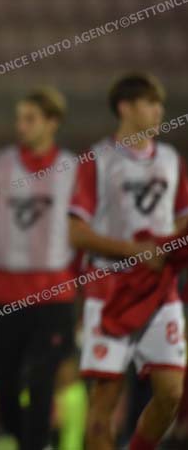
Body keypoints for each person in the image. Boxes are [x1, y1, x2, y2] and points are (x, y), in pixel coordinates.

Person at [68, 72, 188, 450]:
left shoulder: (171, 160)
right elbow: (76, 232)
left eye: (160, 104)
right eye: (150, 103)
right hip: (110, 289)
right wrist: (135, 251)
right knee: (105, 400)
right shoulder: (98, 160)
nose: (158, 111)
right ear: (125, 107)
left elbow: (181, 219)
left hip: (160, 291)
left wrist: (167, 247)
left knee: (171, 393)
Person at [0, 87, 78, 449]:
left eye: (30, 118)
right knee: (5, 396)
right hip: (5, 294)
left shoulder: (74, 170)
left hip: (55, 295)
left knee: (41, 382)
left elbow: (83, 232)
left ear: (53, 122)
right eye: (19, 118)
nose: (21, 126)